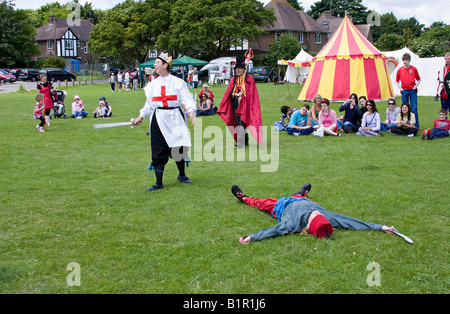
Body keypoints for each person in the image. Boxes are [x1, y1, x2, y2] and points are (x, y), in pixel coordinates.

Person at [231, 184, 397, 244]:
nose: (317, 214)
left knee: (259, 202)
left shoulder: (292, 224)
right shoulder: (327, 219)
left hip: (280, 205)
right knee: (301, 196)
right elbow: (352, 222)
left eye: (315, 216)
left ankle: (243, 197)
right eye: (319, 215)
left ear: (309, 224)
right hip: (300, 199)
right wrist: (380, 227)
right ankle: (302, 193)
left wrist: (252, 237)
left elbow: (273, 231)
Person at [132, 52, 196, 191]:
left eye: (157, 63)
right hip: (159, 119)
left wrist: (191, 111)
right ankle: (158, 183)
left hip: (175, 118)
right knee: (159, 150)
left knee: (178, 147)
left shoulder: (178, 83)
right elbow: (149, 104)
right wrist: (141, 116)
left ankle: (182, 175)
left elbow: (186, 99)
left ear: (165, 65)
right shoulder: (152, 85)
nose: (154, 65)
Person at [217, 56, 263, 147]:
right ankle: (245, 140)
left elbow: (251, 93)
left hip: (246, 104)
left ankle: (240, 142)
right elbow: (229, 92)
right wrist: (236, 94)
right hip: (236, 104)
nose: (238, 70)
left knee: (243, 122)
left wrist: (243, 95)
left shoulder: (249, 79)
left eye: (240, 69)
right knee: (238, 122)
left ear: (243, 69)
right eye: (237, 69)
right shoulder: (233, 80)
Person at [396, 53, 421, 128]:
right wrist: (401, 89)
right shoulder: (400, 69)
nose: (405, 62)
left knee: (414, 108)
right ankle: (405, 124)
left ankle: (416, 125)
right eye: (404, 60)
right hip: (404, 91)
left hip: (412, 90)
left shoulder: (413, 69)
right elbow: (397, 81)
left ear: (409, 60)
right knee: (404, 108)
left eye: (406, 60)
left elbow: (419, 79)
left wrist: (414, 87)